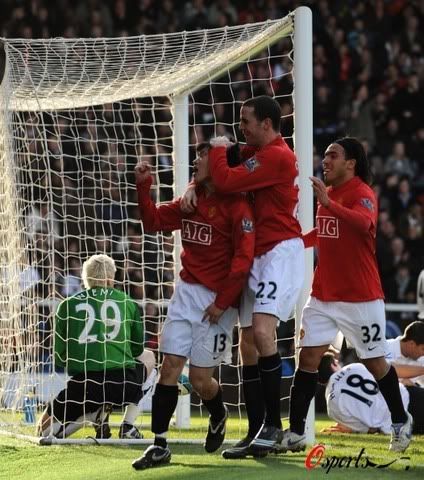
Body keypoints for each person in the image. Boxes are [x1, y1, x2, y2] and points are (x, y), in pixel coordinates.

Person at [182, 95, 304, 458]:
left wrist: (220, 149)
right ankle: (256, 430)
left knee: (263, 333)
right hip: (255, 255)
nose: (241, 128)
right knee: (246, 344)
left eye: (245, 121)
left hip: (279, 251)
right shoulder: (254, 151)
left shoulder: (279, 156)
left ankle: (274, 426)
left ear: (266, 123)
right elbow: (209, 169)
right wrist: (192, 185)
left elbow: (225, 178)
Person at [280, 137, 413, 453]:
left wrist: (329, 204)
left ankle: (399, 420)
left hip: (360, 298)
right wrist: (297, 242)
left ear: (350, 163)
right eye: (325, 155)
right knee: (307, 358)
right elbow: (327, 232)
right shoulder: (330, 195)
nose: (325, 160)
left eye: (332, 155)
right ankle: (296, 433)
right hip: (323, 295)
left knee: (375, 363)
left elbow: (363, 224)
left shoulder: (362, 193)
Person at [131, 141, 255, 470]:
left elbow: (243, 262)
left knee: (201, 381)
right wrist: (143, 187)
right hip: (185, 293)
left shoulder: (238, 207)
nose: (196, 160)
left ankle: (218, 413)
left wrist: (223, 302)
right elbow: (153, 222)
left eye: (203, 155)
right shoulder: (192, 199)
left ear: (220, 163)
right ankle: (159, 445)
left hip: (218, 302)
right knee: (169, 367)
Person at [37, 254, 155, 440]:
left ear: (85, 278)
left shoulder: (66, 305)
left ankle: (88, 416)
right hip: (123, 385)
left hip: (84, 386)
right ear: (110, 278)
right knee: (149, 358)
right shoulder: (126, 301)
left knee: (42, 432)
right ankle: (127, 425)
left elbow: (59, 357)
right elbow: (137, 349)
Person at [318, 351, 424, 435]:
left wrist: (350, 428)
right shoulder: (354, 367)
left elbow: (369, 429)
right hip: (408, 396)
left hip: (396, 426)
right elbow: (387, 374)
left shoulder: (332, 408)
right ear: (334, 364)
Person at [385, 321, 424, 386]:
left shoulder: (421, 358)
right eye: (423, 349)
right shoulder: (385, 347)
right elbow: (387, 370)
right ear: (412, 344)